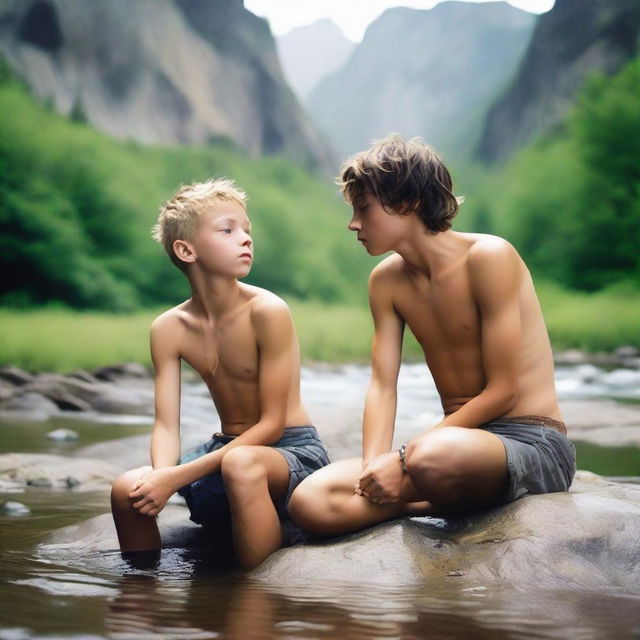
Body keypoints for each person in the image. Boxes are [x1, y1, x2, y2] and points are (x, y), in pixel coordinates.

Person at [288, 135, 576, 536]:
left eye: (364, 208)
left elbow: (505, 390)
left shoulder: (489, 257)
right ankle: (427, 502)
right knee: (309, 500)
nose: (353, 223)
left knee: (432, 455)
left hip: (530, 442)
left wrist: (403, 458)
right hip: (451, 449)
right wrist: (374, 470)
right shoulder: (386, 281)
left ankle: (430, 488)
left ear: (407, 204)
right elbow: (382, 386)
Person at [110, 178, 330, 569]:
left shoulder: (268, 310)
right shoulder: (168, 328)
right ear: (186, 249)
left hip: (289, 452)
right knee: (128, 488)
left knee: (241, 463)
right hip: (224, 448)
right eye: (228, 230)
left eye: (247, 230)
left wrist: (177, 479)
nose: (245, 239)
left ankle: (253, 595)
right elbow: (165, 424)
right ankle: (142, 593)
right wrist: (160, 477)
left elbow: (272, 424)